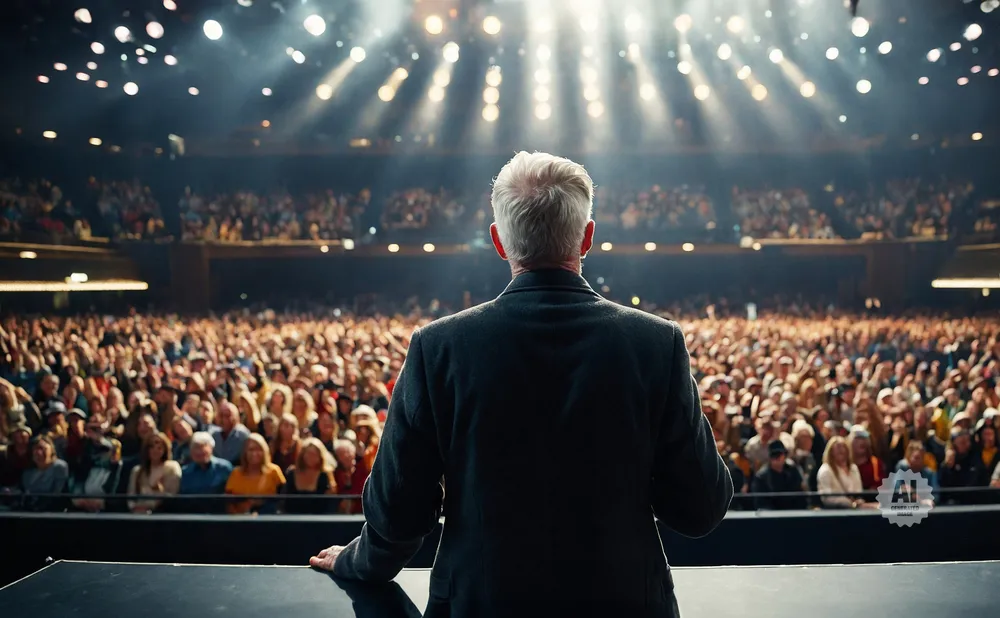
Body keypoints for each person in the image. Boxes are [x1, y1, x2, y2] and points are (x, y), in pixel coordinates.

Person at [310, 151, 733, 617]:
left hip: (479, 603)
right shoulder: (656, 343)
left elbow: (398, 513)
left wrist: (354, 562)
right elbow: (700, 508)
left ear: (498, 241)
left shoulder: (439, 348)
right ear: (587, 237)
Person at [224, 433, 285, 514]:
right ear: (245, 452)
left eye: (259, 449)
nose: (254, 453)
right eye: (251, 449)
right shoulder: (236, 473)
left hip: (268, 516)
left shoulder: (274, 471)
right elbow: (228, 502)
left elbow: (282, 498)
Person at [126, 432, 182, 514]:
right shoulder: (137, 471)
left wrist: (160, 492)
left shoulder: (171, 467)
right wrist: (134, 507)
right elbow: (131, 496)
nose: (155, 450)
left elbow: (173, 495)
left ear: (165, 449)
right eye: (151, 447)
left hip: (162, 513)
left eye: (159, 448)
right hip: (138, 514)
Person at [178, 431, 233, 513]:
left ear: (211, 448)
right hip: (192, 516)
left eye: (202, 447)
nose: (199, 451)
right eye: (195, 447)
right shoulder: (185, 472)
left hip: (219, 516)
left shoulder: (225, 468)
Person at [816, 436, 876, 509]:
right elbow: (826, 498)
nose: (841, 450)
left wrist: (858, 502)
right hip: (835, 510)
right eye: (838, 447)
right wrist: (848, 503)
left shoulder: (853, 468)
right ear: (830, 452)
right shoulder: (826, 470)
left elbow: (858, 492)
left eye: (843, 446)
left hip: (856, 508)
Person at [282, 437, 337, 514]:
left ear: (320, 457)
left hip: (318, 518)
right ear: (302, 455)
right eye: (308, 454)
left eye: (315, 455)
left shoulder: (325, 475)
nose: (311, 457)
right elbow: (284, 500)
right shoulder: (291, 473)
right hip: (293, 517)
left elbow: (330, 503)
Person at [752, 440, 808, 510]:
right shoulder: (761, 477)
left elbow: (800, 495)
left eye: (780, 454)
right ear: (770, 457)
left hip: (793, 511)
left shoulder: (793, 471)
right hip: (772, 513)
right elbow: (761, 503)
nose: (778, 458)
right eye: (774, 455)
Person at [19, 435, 69, 511]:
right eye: (36, 449)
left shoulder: (59, 467)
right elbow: (24, 493)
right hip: (29, 512)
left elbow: (57, 493)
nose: (39, 452)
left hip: (50, 512)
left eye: (42, 448)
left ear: (51, 450)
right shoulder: (28, 473)